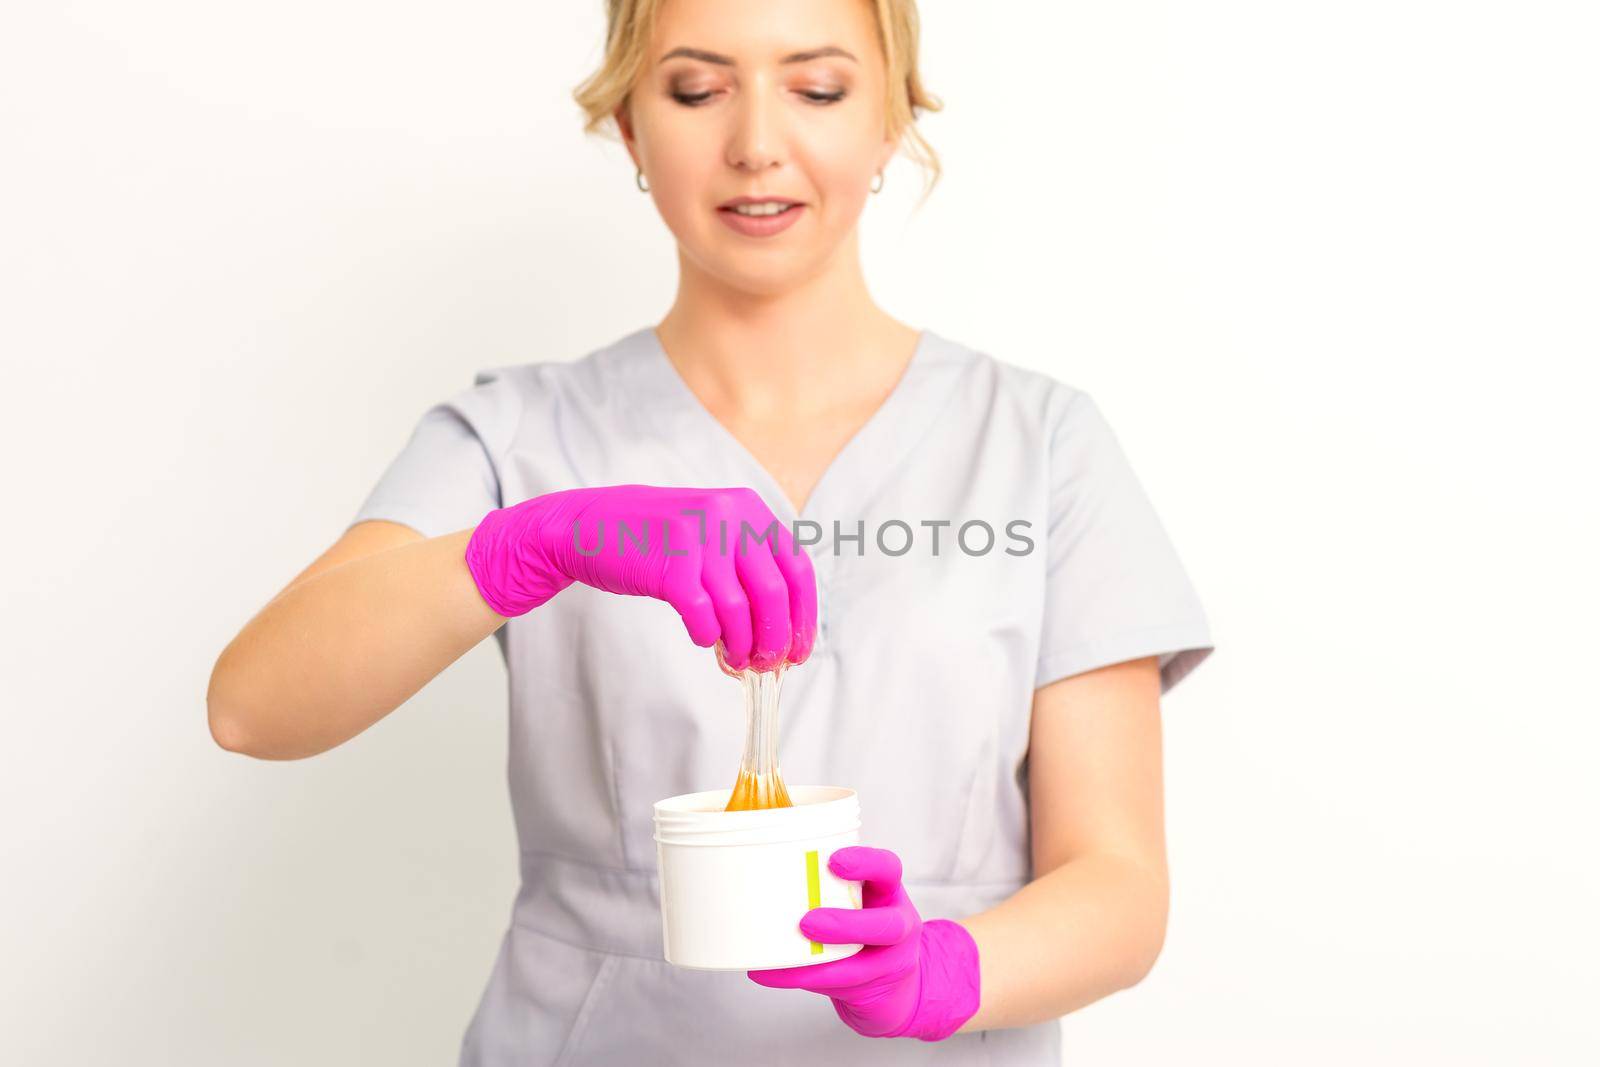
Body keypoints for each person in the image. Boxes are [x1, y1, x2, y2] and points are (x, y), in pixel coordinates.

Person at [206, 0, 1215, 1063]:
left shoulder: (1038, 443)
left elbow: (1116, 881)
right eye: (696, 89)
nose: (756, 145)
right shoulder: (515, 436)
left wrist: (943, 971)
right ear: (634, 129)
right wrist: (527, 546)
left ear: (891, 119)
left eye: (817, 89)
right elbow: (253, 706)